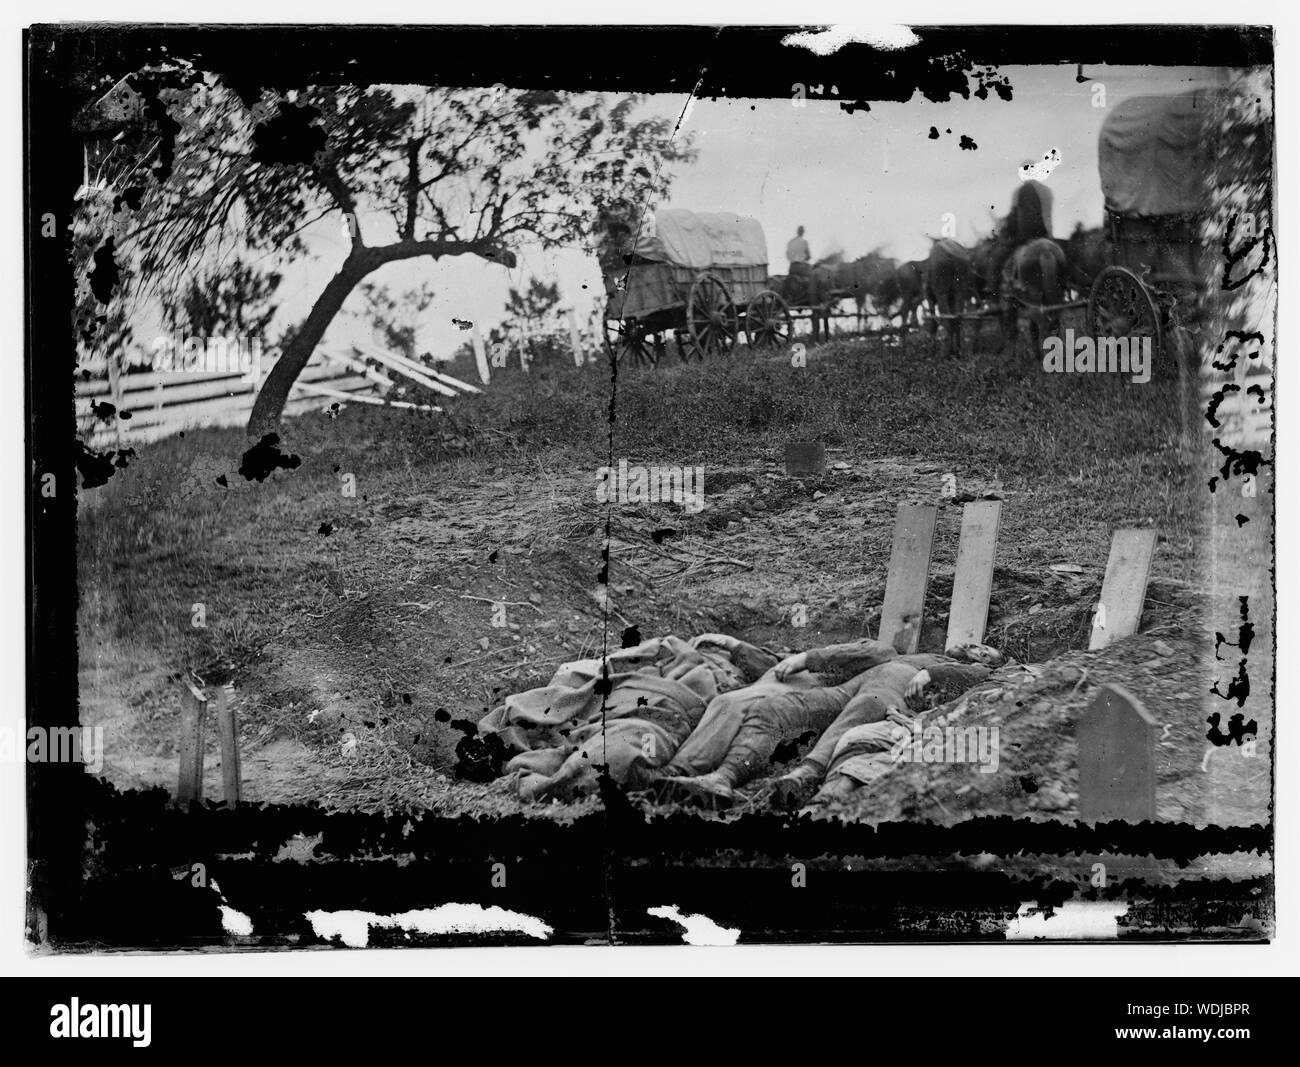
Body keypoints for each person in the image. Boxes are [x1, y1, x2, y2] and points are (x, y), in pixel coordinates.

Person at [647, 642, 1002, 808]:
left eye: (985, 650)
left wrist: (933, 672)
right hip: (844, 691)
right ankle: (722, 778)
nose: (976, 648)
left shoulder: (959, 669)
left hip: (890, 695)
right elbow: (856, 653)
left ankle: (805, 776)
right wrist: (808, 658)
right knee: (773, 710)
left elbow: (980, 675)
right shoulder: (905, 653)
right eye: (976, 646)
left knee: (870, 703)